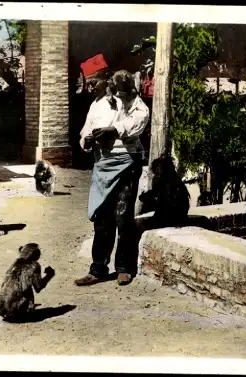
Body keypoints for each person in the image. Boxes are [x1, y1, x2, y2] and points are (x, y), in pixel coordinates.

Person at [75, 70, 150, 287]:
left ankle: (125, 267)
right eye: (87, 83)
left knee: (122, 215)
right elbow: (86, 130)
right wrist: (86, 141)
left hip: (126, 162)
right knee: (102, 216)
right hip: (102, 164)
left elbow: (140, 118)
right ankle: (98, 268)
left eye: (93, 82)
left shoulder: (129, 99)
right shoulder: (96, 105)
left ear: (107, 80)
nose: (90, 87)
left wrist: (115, 130)